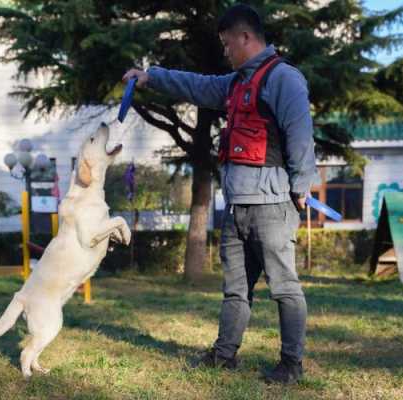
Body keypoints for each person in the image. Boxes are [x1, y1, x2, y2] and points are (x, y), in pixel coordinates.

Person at [123, 3, 316, 385]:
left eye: (228, 44)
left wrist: (300, 188)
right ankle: (223, 356)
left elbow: (301, 137)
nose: (225, 51)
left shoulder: (284, 79)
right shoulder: (235, 83)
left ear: (246, 37)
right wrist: (152, 77)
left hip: (273, 207)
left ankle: (291, 364)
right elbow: (196, 85)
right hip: (237, 207)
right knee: (235, 291)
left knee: (285, 289)